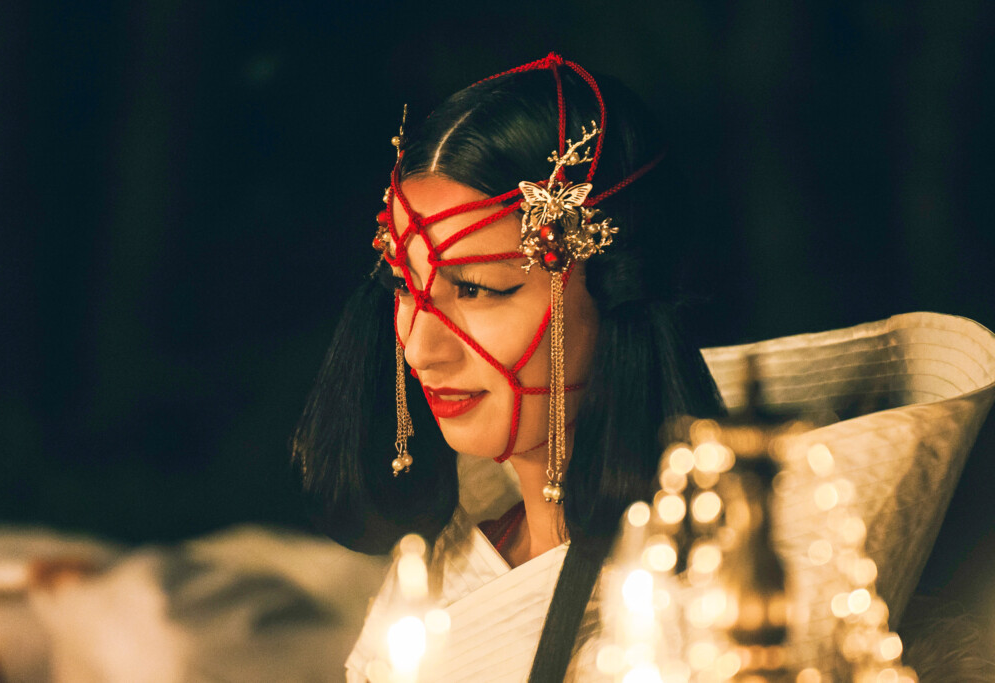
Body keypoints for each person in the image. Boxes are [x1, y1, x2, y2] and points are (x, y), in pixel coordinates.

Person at [291, 54, 995, 682]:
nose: (420, 348)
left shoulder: (728, 592)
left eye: (475, 289)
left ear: (614, 289)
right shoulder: (448, 557)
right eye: (404, 286)